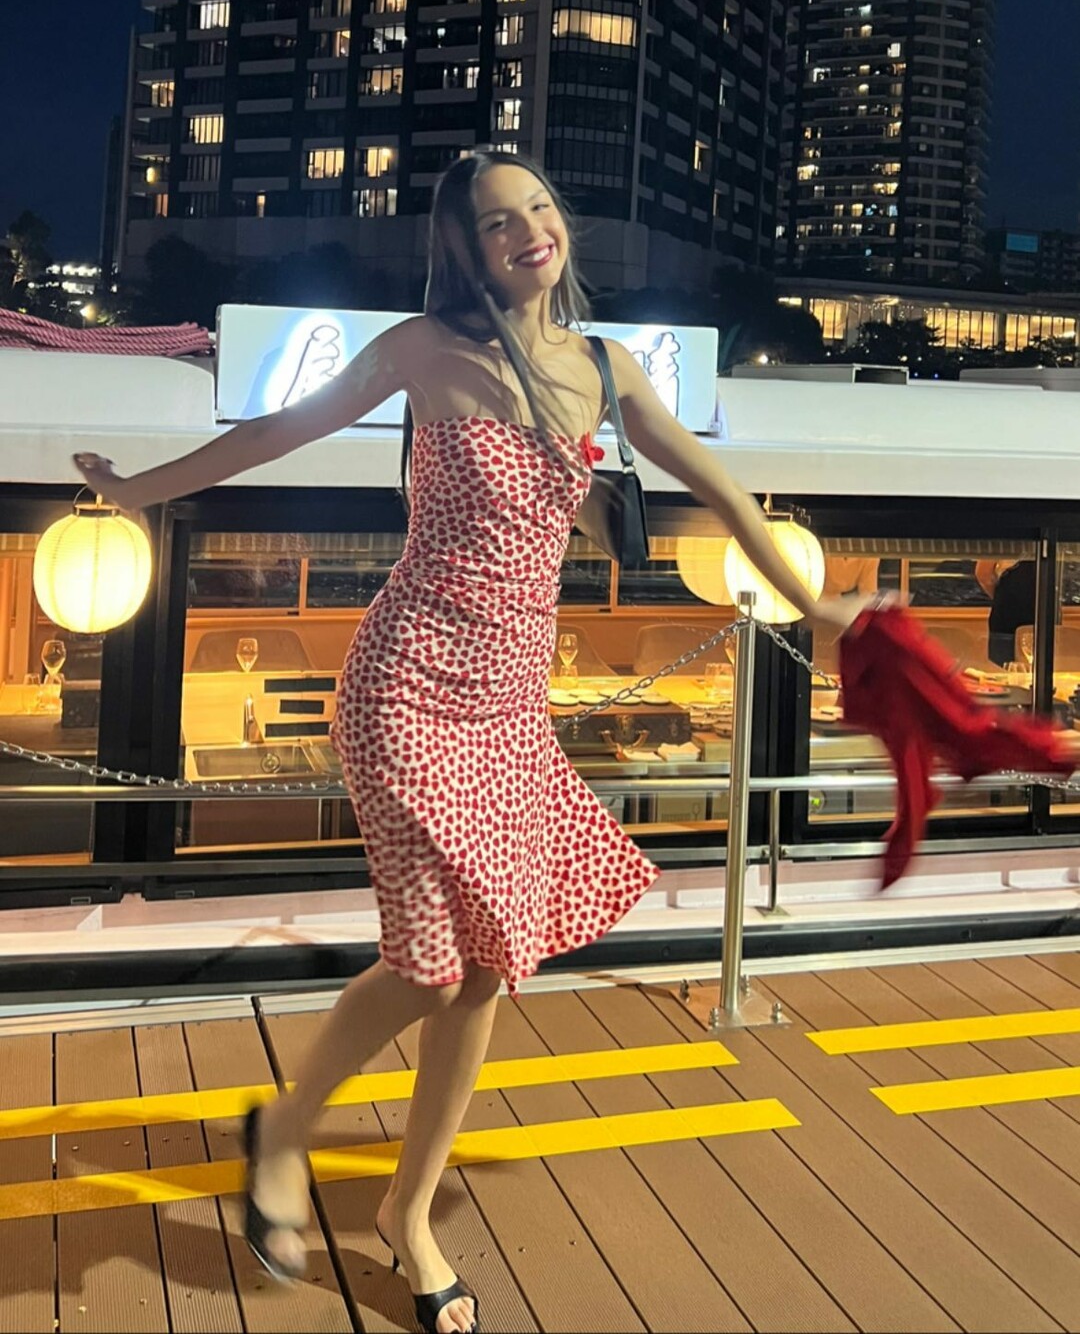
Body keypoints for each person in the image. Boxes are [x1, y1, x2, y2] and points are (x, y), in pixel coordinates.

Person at [74, 153, 869, 1334]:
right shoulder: (421, 351)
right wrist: (141, 492)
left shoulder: (603, 370)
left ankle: (409, 1211)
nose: (528, 231)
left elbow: (722, 489)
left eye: (538, 207)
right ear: (464, 249)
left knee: (491, 963)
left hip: (509, 705)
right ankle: (285, 1130)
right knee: (435, 963)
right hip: (405, 686)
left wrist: (819, 609)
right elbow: (276, 432)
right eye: (498, 223)